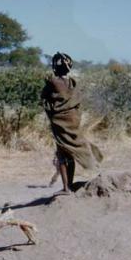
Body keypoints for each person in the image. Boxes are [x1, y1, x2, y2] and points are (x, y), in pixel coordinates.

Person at [41, 51, 103, 195]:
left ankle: (66, 188)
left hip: (60, 121)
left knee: (62, 153)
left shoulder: (52, 82)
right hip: (73, 120)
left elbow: (44, 97)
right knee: (71, 151)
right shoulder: (73, 82)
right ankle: (70, 183)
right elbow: (76, 101)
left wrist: (52, 111)